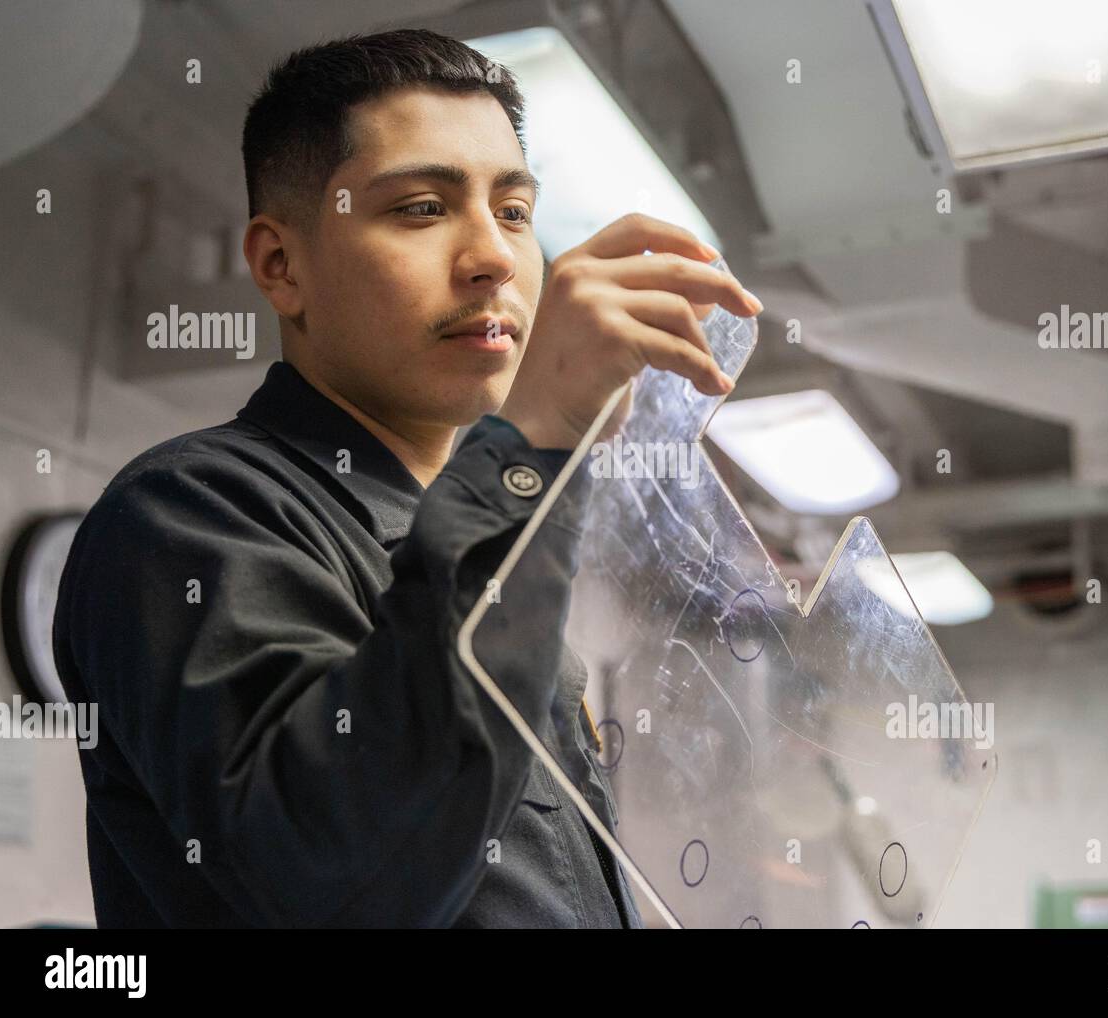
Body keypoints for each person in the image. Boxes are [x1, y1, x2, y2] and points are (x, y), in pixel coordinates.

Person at [51, 27, 761, 928]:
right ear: (282, 265)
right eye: (422, 209)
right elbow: (350, 879)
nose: (494, 257)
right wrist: (531, 442)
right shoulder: (184, 518)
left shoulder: (494, 562)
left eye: (513, 211)